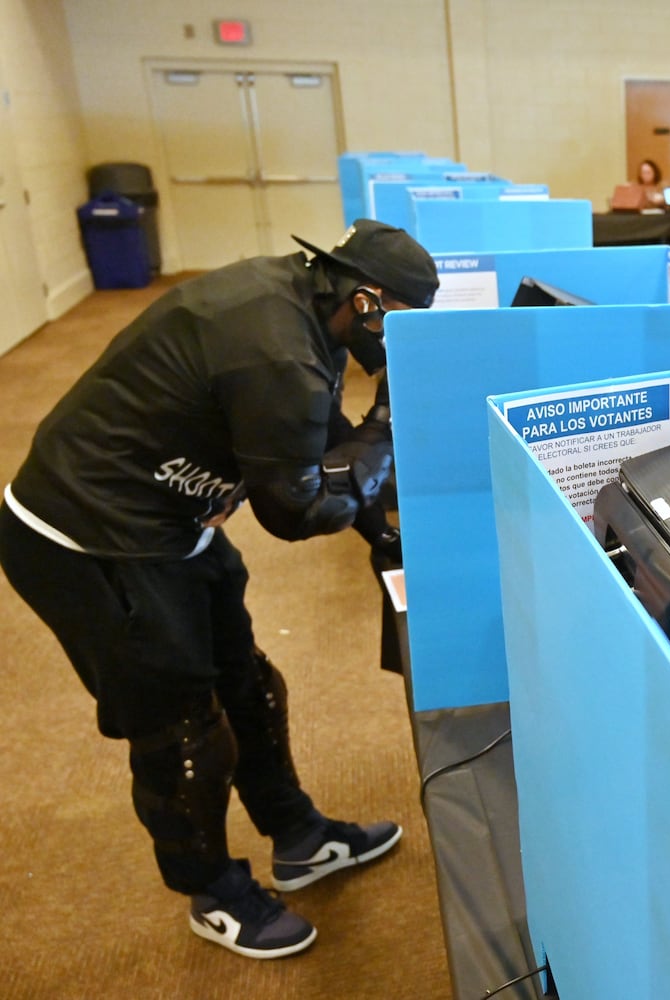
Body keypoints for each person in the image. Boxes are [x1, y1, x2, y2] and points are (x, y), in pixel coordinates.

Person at [0, 218, 438, 960]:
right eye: (402, 320)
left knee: (249, 683)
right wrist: (387, 433)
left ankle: (296, 834)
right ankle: (212, 891)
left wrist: (387, 536)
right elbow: (294, 511)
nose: (401, 341)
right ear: (366, 300)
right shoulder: (273, 347)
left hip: (176, 519)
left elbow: (317, 439)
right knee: (180, 726)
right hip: (87, 531)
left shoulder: (303, 311)